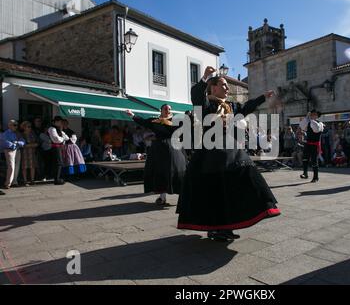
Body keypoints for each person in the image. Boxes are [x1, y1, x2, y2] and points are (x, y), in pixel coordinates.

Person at [176, 66, 281, 241]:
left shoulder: (231, 106)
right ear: (213, 88)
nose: (227, 88)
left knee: (241, 179)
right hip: (211, 153)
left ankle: (236, 220)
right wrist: (205, 78)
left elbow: (246, 107)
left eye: (227, 85)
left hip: (231, 150)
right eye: (223, 85)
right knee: (215, 191)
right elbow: (196, 97)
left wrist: (262, 97)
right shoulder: (207, 104)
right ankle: (217, 227)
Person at [126, 104, 187, 206]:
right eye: (166, 109)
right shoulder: (154, 121)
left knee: (177, 170)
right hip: (159, 149)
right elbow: (143, 122)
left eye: (169, 109)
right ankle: (162, 198)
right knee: (160, 172)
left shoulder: (176, 120)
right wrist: (132, 115)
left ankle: (183, 197)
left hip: (173, 148)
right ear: (161, 110)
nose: (168, 110)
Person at [300, 110, 325, 183]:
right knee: (305, 158)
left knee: (314, 161)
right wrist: (307, 117)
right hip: (308, 144)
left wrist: (310, 120)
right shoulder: (309, 122)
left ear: (317, 116)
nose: (312, 116)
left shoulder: (320, 124)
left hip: (315, 145)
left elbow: (316, 129)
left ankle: (315, 177)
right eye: (311, 115)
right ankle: (305, 173)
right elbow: (302, 126)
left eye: (314, 115)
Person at [2, 120, 25, 189]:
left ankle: (14, 182)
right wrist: (14, 144)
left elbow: (23, 141)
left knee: (17, 166)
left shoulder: (17, 133)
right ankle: (7, 183)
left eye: (16, 125)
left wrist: (18, 143)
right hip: (9, 150)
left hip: (17, 150)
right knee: (11, 167)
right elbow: (5, 142)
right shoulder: (6, 133)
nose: (16, 126)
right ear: (9, 126)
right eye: (14, 125)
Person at [48, 116, 69, 185]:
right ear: (55, 122)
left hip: (59, 147)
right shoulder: (52, 128)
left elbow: (67, 137)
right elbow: (56, 139)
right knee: (58, 163)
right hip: (55, 147)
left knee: (59, 163)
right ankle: (57, 179)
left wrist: (62, 138)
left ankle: (58, 178)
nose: (61, 123)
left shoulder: (58, 129)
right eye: (59, 121)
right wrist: (62, 138)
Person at [20, 121, 39, 186]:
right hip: (24, 153)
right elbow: (23, 145)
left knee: (32, 166)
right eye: (28, 126)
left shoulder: (33, 134)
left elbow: (37, 143)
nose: (30, 128)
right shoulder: (21, 135)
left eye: (30, 126)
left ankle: (32, 180)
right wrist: (31, 144)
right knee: (24, 167)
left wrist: (29, 144)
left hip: (32, 153)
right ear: (24, 127)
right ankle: (25, 181)